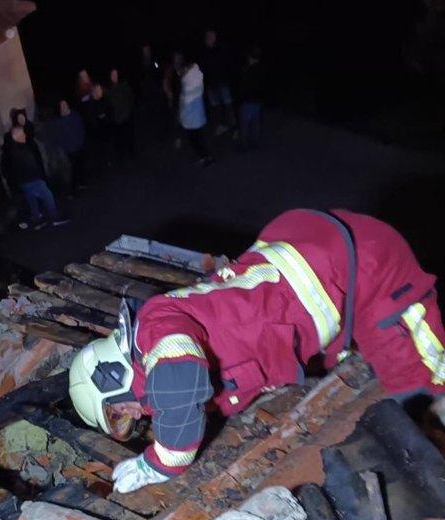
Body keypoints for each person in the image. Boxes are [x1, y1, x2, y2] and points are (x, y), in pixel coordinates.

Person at [68, 209, 445, 493]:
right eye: (122, 422)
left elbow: (180, 382)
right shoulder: (174, 373)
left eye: (118, 411)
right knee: (401, 406)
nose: (132, 417)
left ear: (111, 374)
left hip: (359, 262)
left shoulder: (154, 327)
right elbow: (210, 394)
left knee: (422, 383)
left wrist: (160, 464)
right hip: (333, 297)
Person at [0, 125, 67, 228]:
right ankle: (54, 217)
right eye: (22, 133)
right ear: (15, 136)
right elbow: (25, 165)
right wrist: (38, 176)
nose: (25, 135)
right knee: (47, 196)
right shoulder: (17, 150)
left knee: (32, 199)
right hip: (31, 178)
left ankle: (36, 218)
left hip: (25, 180)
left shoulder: (17, 148)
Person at [199, 29, 236, 134]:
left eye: (211, 36)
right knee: (216, 107)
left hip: (223, 82)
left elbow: (228, 64)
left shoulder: (221, 49)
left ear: (214, 38)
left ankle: (233, 127)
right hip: (211, 84)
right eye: (207, 37)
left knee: (228, 105)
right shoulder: (204, 52)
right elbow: (202, 68)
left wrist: (230, 78)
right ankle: (220, 126)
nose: (209, 39)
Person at [177, 56, 212, 165]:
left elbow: (185, 103)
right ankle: (206, 156)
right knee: (199, 138)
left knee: (195, 140)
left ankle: (206, 158)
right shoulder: (197, 78)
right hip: (198, 116)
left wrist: (181, 117)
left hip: (191, 119)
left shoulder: (188, 83)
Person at [51, 100, 87, 196]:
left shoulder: (75, 116)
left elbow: (81, 128)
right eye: (62, 106)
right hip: (69, 150)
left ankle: (82, 182)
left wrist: (81, 140)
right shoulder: (58, 121)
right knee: (72, 170)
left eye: (65, 105)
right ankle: (73, 189)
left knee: (80, 166)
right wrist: (63, 147)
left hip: (79, 146)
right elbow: (57, 137)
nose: (64, 107)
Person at [238, 46, 264, 148]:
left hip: (248, 100)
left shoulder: (247, 70)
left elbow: (243, 86)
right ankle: (255, 142)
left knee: (245, 123)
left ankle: (244, 144)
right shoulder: (261, 69)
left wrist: (241, 98)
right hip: (258, 100)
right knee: (256, 122)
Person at [106, 68, 135, 158]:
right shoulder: (109, 91)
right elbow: (108, 106)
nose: (114, 76)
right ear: (110, 77)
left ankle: (132, 154)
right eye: (112, 75)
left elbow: (131, 97)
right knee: (119, 140)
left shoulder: (124, 85)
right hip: (117, 120)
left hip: (127, 117)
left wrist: (129, 110)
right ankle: (121, 157)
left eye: (116, 74)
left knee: (130, 137)